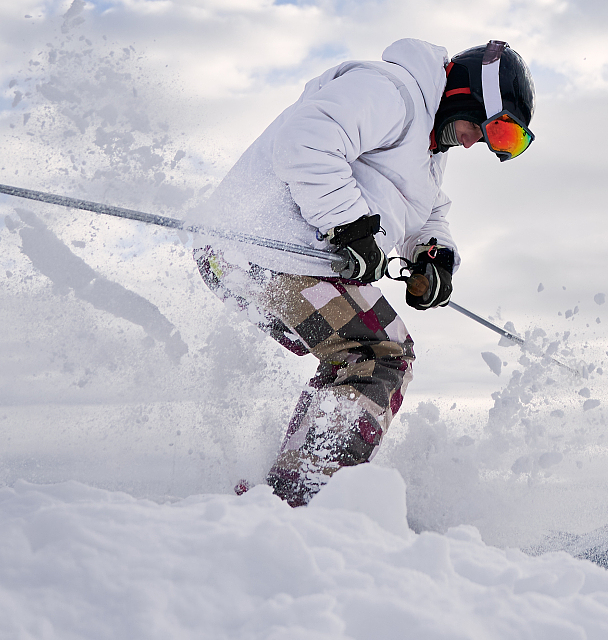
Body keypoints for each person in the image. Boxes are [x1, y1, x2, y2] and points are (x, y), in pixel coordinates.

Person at [189, 38, 536, 504]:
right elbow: (307, 138)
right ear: (468, 94)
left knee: (360, 356)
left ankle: (291, 487)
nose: (484, 145)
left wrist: (434, 255)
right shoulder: (391, 92)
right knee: (378, 354)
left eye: (507, 144)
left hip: (262, 257)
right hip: (260, 248)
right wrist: (350, 225)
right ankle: (302, 495)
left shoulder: (428, 152)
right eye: (496, 131)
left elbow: (429, 212)